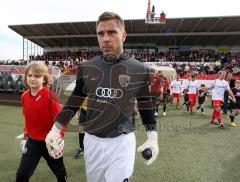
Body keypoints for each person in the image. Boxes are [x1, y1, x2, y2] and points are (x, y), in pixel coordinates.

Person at [45, 12, 159, 182]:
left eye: (112, 32)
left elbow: (145, 104)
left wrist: (152, 137)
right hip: (92, 142)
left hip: (122, 143)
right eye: (101, 33)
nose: (105, 38)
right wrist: (55, 129)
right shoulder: (86, 67)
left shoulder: (139, 69)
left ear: (124, 35)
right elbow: (74, 102)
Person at [16, 62, 67, 182]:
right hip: (33, 142)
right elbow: (28, 120)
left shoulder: (50, 96)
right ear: (26, 77)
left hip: (50, 142)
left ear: (44, 79)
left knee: (60, 173)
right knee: (22, 175)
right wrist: (25, 136)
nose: (32, 79)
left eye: (37, 76)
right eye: (30, 75)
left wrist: (58, 137)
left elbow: (61, 120)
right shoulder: (24, 96)